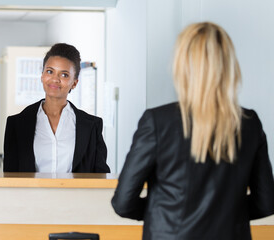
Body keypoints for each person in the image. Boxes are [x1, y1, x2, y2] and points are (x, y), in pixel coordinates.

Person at [111, 22, 274, 239]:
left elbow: (123, 203)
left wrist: (164, 213)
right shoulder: (249, 123)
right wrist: (226, 214)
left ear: (182, 65)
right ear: (228, 65)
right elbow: (266, 202)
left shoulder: (158, 122)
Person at [3, 43, 110, 173]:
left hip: (76, 193)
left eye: (64, 75)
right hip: (31, 193)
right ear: (42, 75)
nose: (55, 79)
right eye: (50, 71)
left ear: (74, 83)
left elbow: (100, 175)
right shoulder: (17, 124)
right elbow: (10, 176)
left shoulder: (92, 126)